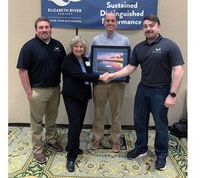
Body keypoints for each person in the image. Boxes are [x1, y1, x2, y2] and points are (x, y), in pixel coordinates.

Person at [106, 14, 184, 170]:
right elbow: (130, 68)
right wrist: (112, 75)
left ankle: (161, 154)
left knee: (161, 125)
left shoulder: (170, 46)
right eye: (145, 26)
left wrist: (172, 94)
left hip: (161, 91)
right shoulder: (139, 48)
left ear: (158, 27)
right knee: (139, 121)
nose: (148, 29)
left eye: (151, 25)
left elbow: (179, 70)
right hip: (143, 89)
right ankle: (141, 148)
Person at [16, 16, 66, 164]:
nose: (44, 30)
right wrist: (29, 92)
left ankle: (51, 139)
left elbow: (66, 65)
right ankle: (38, 150)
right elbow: (23, 71)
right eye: (41, 27)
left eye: (47, 27)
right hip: (37, 91)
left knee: (51, 118)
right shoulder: (29, 47)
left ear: (51, 29)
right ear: (36, 30)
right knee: (37, 122)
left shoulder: (57, 45)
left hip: (55, 89)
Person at [61, 36, 109, 172]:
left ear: (84, 48)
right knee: (74, 124)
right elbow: (79, 75)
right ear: (72, 48)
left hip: (83, 96)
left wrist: (114, 76)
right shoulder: (67, 60)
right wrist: (100, 77)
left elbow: (93, 72)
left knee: (79, 123)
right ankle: (71, 157)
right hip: (71, 97)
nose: (78, 49)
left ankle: (72, 147)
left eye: (81, 47)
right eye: (76, 46)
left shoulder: (87, 60)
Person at [89, 12, 131, 153]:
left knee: (116, 113)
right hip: (100, 83)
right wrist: (95, 77)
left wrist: (125, 78)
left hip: (117, 83)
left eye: (113, 20)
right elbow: (90, 60)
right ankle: (97, 137)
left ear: (116, 22)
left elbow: (129, 63)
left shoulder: (124, 41)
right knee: (98, 112)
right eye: (108, 20)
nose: (110, 23)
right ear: (104, 22)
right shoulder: (96, 40)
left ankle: (115, 140)